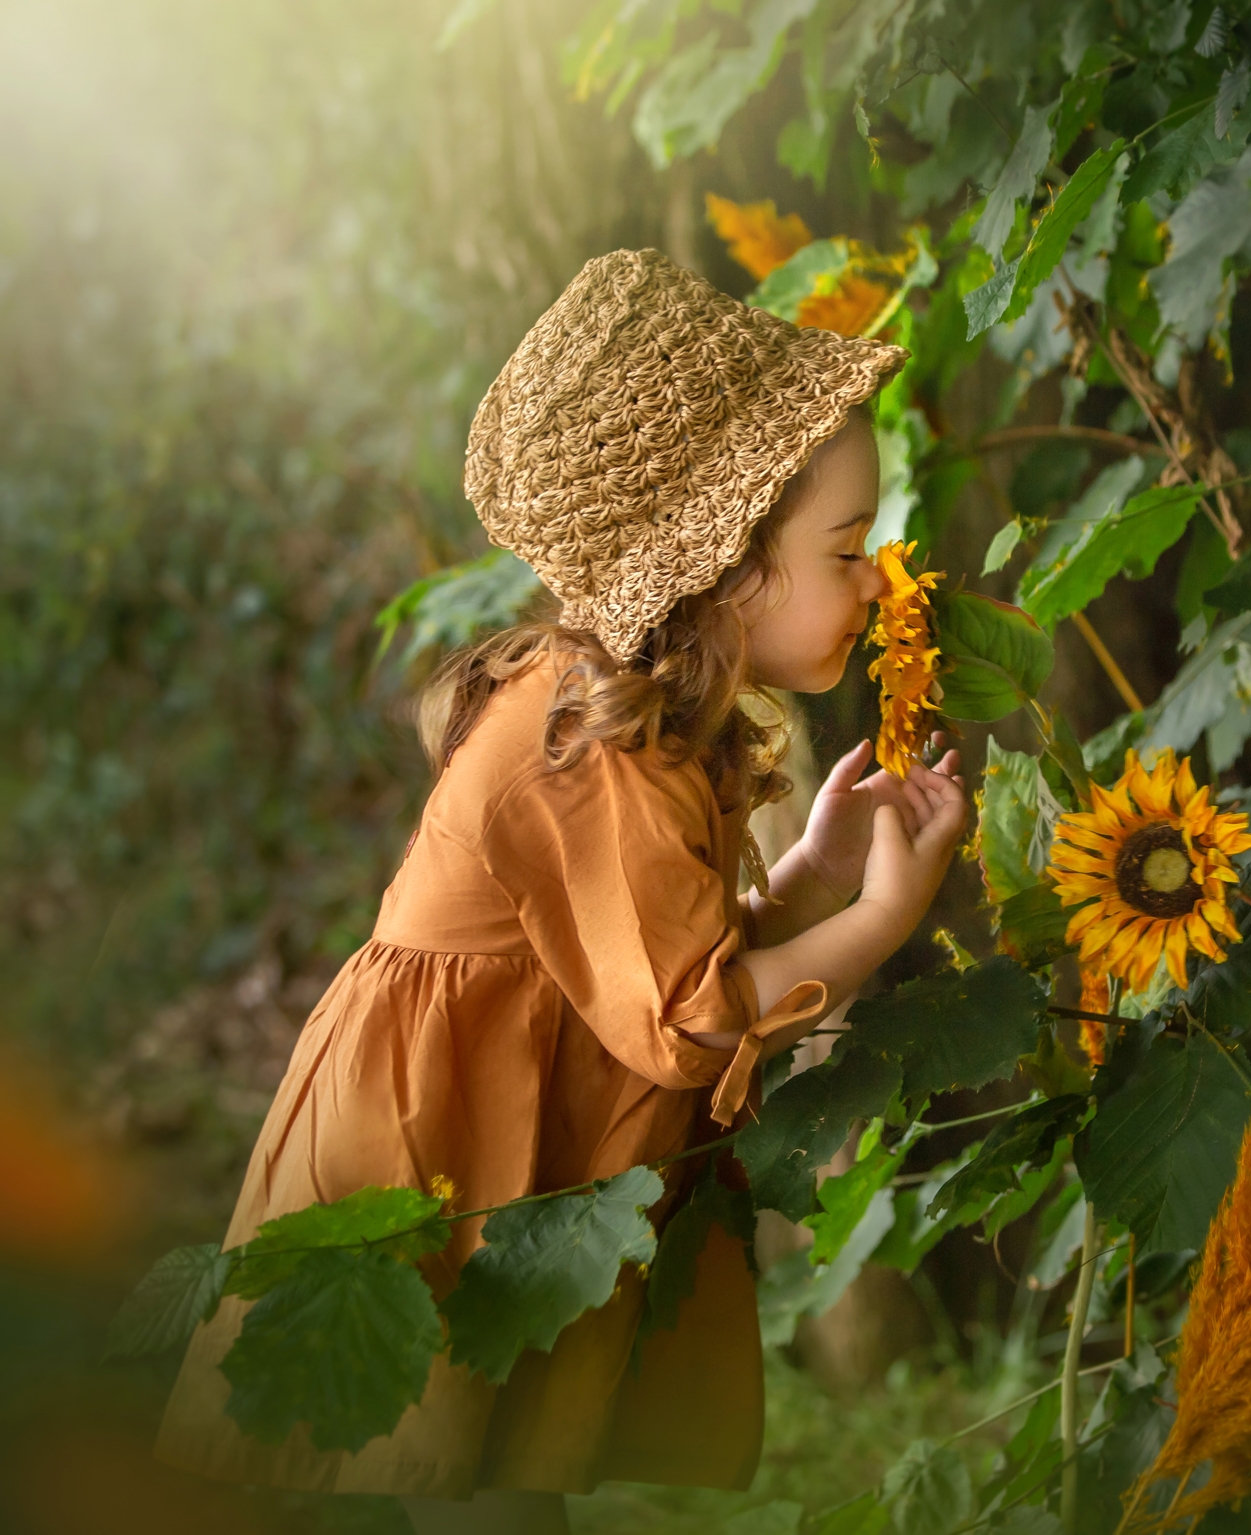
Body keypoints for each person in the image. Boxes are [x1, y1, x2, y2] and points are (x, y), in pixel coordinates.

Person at [154, 248, 968, 1534]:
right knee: (479, 1484)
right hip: (446, 1140)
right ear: (721, 566)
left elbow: (654, 964)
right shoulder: (586, 742)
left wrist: (813, 871)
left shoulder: (638, 713)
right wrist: (881, 917)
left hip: (517, 1112)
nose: (876, 582)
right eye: (848, 548)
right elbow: (690, 1021)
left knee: (508, 1477)